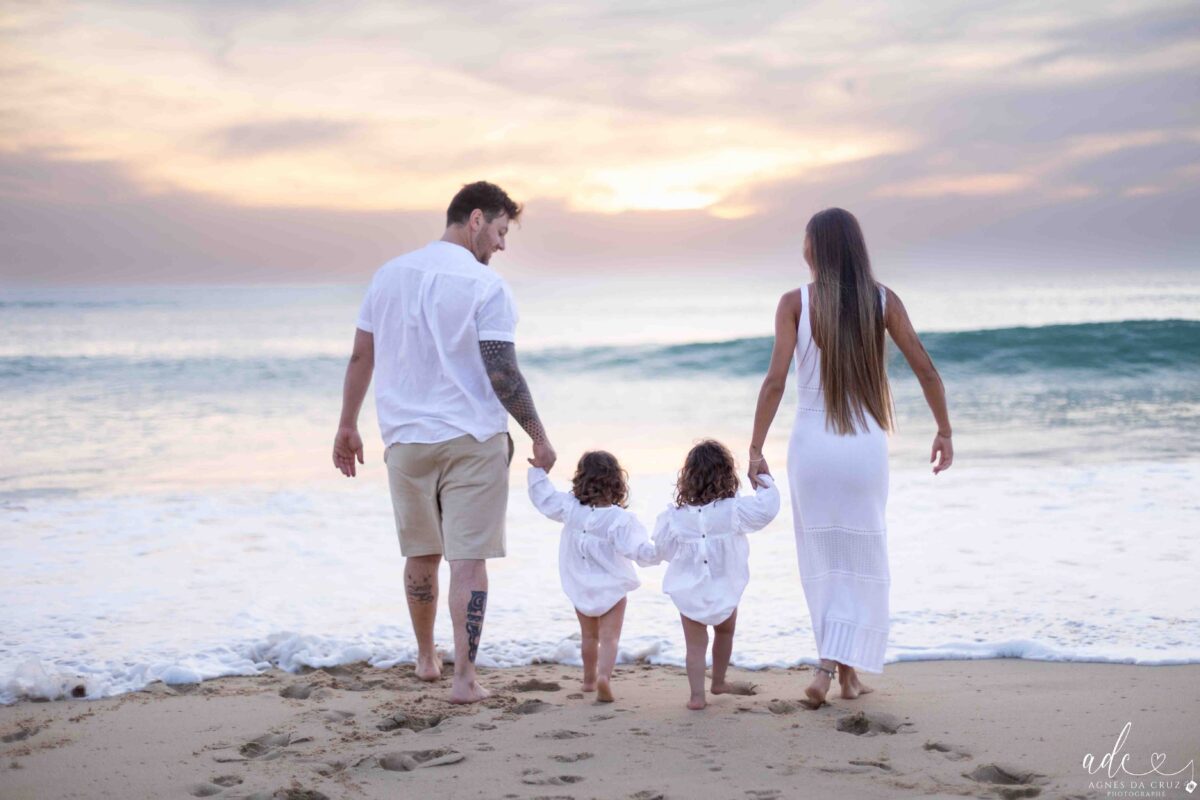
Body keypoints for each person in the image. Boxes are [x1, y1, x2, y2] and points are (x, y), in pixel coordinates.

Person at [332, 181, 557, 704]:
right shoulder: (486, 287)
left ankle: (427, 658)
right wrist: (540, 438)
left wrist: (347, 423)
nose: (501, 246)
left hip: (406, 441)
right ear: (476, 220)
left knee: (421, 554)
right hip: (472, 438)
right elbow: (503, 373)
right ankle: (465, 679)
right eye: (501, 232)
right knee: (468, 559)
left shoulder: (388, 276)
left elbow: (361, 357)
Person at [747, 207, 953, 709]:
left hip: (812, 448)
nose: (802, 247)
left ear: (815, 247)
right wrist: (944, 429)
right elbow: (926, 369)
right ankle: (844, 675)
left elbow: (775, 381)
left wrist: (754, 447)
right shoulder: (883, 301)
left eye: (805, 239)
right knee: (861, 558)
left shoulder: (794, 302)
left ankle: (830, 668)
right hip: (863, 449)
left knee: (822, 559)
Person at [652, 440, 779, 710]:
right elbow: (768, 509)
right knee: (725, 631)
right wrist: (763, 476)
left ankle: (697, 696)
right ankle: (719, 681)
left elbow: (663, 549)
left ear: (688, 479)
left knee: (695, 647)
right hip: (725, 587)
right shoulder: (734, 511)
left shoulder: (674, 517)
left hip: (689, 590)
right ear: (727, 475)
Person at [527, 451, 657, 702]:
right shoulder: (619, 519)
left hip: (580, 585)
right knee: (610, 638)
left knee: (589, 636)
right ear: (617, 482)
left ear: (581, 479)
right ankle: (604, 678)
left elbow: (544, 498)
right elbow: (638, 549)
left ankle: (588, 680)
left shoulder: (570, 508)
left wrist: (538, 471)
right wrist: (663, 550)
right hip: (612, 587)